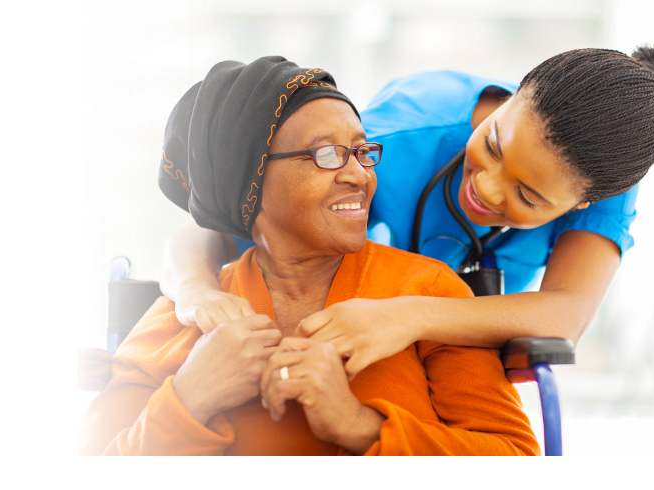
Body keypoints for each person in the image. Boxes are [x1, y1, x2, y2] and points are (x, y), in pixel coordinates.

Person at [77, 57, 540, 456]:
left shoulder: (427, 292)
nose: (360, 175)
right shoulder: (186, 315)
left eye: (362, 151)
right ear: (250, 182)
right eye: (327, 155)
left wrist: (358, 426)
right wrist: (190, 398)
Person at [159, 45, 654, 378]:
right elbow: (204, 232)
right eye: (492, 145)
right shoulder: (400, 137)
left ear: (582, 203)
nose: (484, 188)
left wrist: (406, 314)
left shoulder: (602, 182)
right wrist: (196, 291)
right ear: (510, 100)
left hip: (435, 370)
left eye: (528, 197)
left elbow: (565, 315)